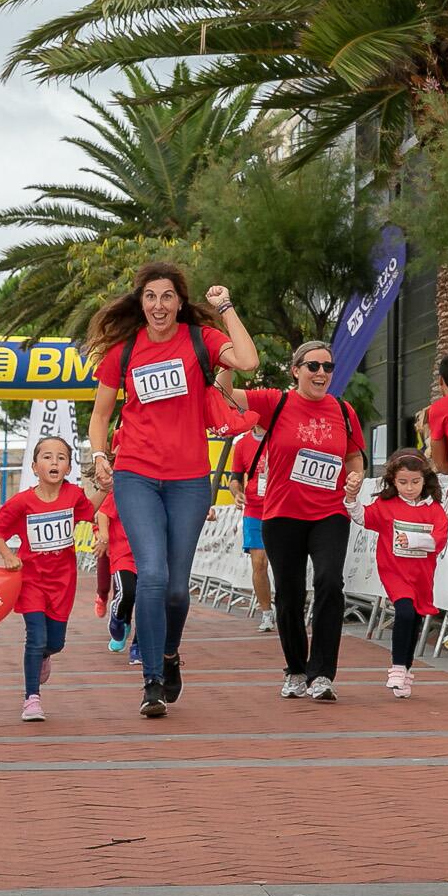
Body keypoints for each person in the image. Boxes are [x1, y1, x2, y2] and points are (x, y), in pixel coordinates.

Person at [88, 261, 258, 719]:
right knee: (153, 576)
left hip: (188, 481)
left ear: (180, 302)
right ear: (140, 303)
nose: (158, 305)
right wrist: (101, 455)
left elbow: (248, 360)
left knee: (178, 592)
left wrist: (226, 309)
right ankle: (151, 682)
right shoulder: (123, 352)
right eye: (150, 297)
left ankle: (167, 653)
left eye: (167, 297)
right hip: (136, 476)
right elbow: (101, 415)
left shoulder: (200, 341)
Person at [243, 340, 366, 701]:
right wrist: (226, 348)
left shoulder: (343, 410)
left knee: (330, 582)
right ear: (295, 370)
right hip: (282, 515)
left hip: (330, 512)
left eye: (328, 367)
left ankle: (323, 673)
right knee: (291, 596)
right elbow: (225, 393)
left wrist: (355, 476)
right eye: (313, 366)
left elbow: (354, 456)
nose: (321, 373)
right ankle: (296, 669)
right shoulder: (275, 402)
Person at [0, 436, 97, 722]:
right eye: (47, 457)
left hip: (63, 583)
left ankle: (46, 656)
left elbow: (91, 511)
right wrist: (7, 556)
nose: (54, 462)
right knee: (35, 638)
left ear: (68, 467)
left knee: (55, 642)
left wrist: (108, 489)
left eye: (61, 458)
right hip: (31, 582)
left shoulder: (73, 496)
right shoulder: (22, 502)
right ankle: (31, 699)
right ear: (35, 467)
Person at [344, 448, 448, 699]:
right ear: (392, 481)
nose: (409, 487)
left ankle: (405, 670)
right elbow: (362, 517)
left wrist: (412, 540)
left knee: (415, 618)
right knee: (404, 611)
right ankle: (397, 668)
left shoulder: (434, 510)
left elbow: (440, 539)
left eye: (415, 482)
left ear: (425, 481)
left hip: (422, 575)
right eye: (403, 482)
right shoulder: (387, 504)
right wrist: (350, 497)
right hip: (394, 572)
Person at [226, 423, 277, 632]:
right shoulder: (242, 444)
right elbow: (235, 479)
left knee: (285, 563)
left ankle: (286, 607)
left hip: (281, 507)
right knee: (259, 562)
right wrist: (237, 493)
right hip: (254, 509)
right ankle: (266, 612)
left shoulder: (280, 436)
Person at [93, 465, 139, 656]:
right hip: (123, 555)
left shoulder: (162, 488)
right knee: (126, 594)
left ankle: (139, 645)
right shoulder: (124, 487)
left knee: (148, 601)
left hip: (149, 553)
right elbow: (103, 513)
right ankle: (119, 618)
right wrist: (103, 536)